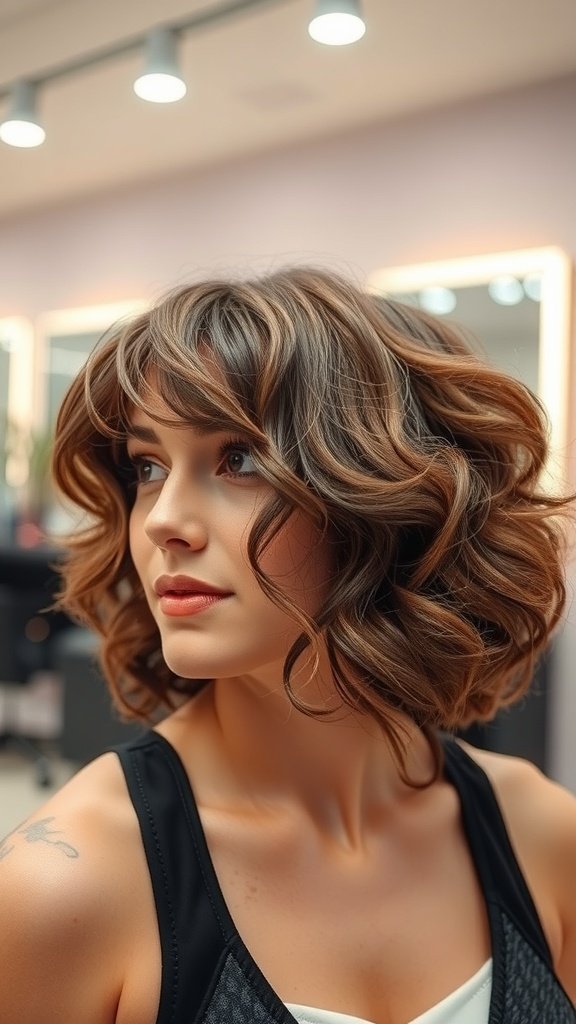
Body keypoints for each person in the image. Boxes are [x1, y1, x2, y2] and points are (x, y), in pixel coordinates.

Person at [0, 267, 574, 1024]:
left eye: (238, 459)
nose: (162, 519)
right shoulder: (65, 889)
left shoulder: (544, 836)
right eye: (147, 467)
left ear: (387, 494)